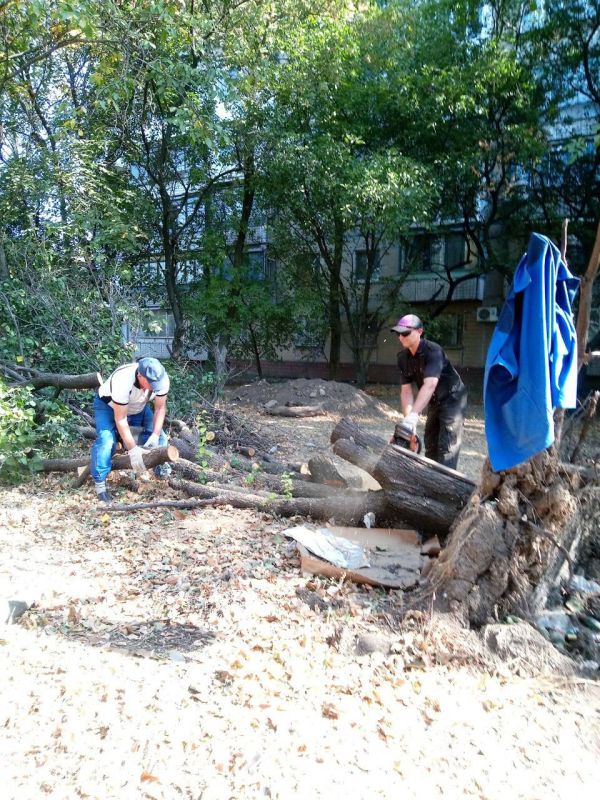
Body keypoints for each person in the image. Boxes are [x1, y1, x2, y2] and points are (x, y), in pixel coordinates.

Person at [91, 357, 171, 503]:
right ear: (140, 376)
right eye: (151, 384)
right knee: (106, 441)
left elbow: (160, 408)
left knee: (161, 440)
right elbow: (120, 419)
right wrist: (133, 450)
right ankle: (100, 485)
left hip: (138, 407)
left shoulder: (162, 379)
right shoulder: (123, 379)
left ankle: (161, 476)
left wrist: (155, 434)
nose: (154, 387)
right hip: (108, 406)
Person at [392, 314, 467, 470]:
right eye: (398, 333)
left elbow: (430, 384)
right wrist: (409, 423)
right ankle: (431, 483)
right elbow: (406, 392)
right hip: (434, 401)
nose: (401, 337)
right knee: (430, 443)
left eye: (405, 333)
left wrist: (414, 415)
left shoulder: (433, 351)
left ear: (420, 331)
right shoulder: (402, 358)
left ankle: (446, 488)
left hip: (453, 398)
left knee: (447, 446)